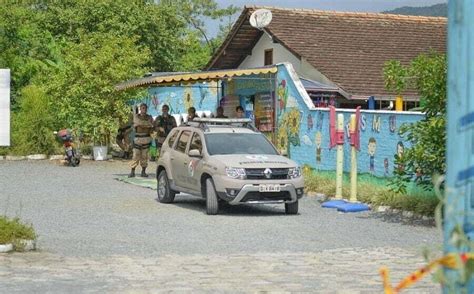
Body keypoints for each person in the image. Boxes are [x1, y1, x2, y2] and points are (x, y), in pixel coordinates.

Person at [129, 103, 154, 178]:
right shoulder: (137, 116)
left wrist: (142, 124)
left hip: (146, 138)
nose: (144, 109)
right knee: (135, 155)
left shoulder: (149, 117)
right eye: (142, 108)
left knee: (144, 156)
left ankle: (143, 171)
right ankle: (132, 171)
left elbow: (150, 124)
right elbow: (137, 122)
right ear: (140, 109)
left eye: (145, 108)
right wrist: (145, 124)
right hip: (138, 139)